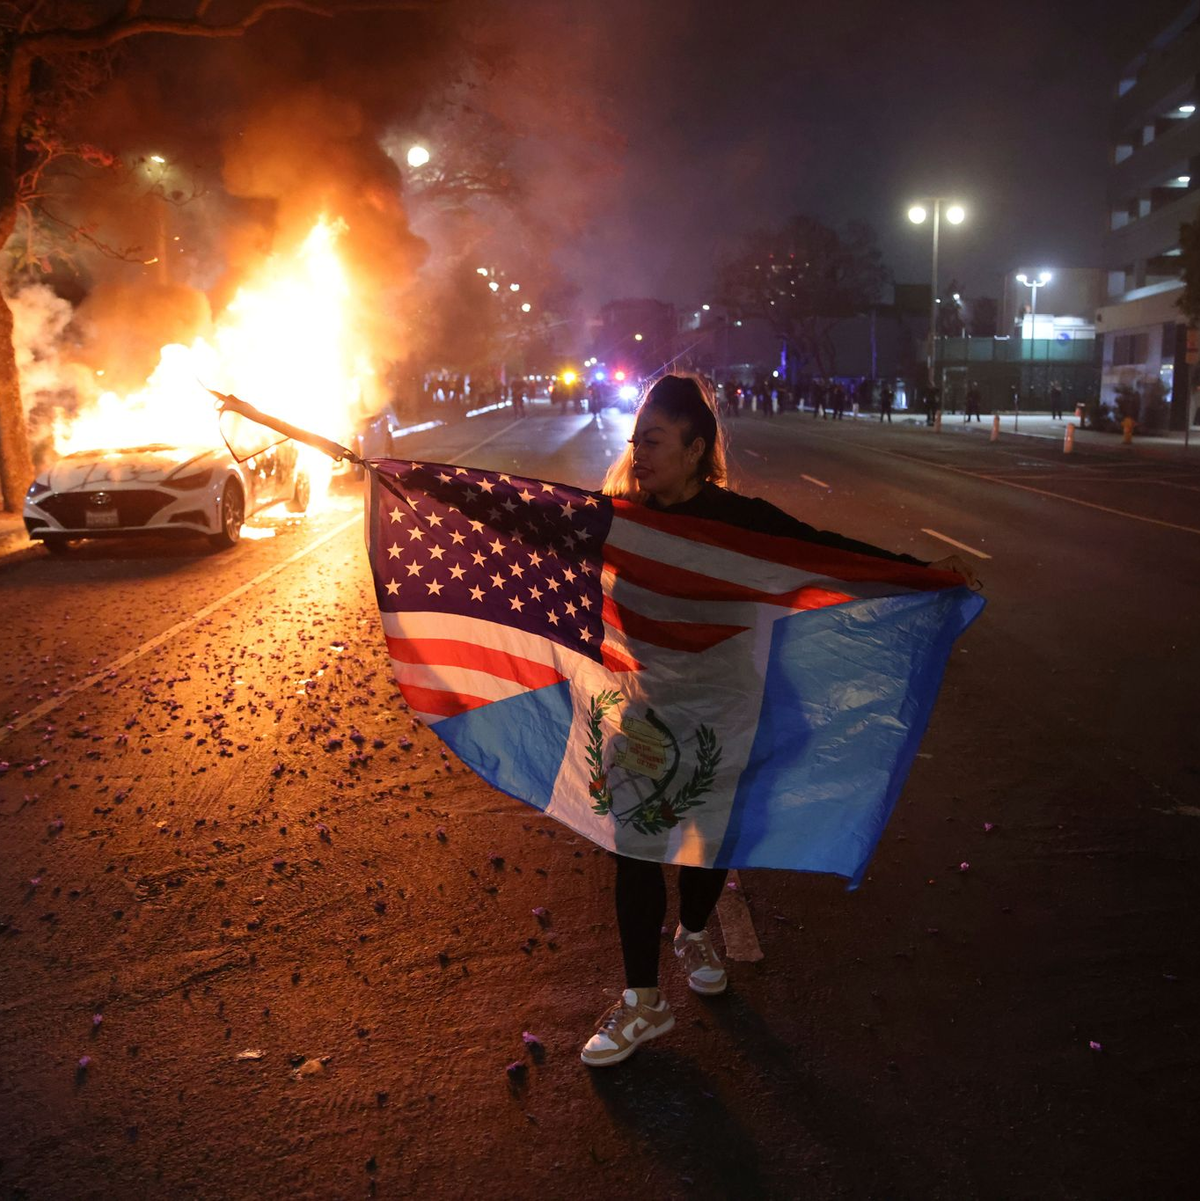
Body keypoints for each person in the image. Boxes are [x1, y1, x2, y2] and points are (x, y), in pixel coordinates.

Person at [582, 373, 979, 1068]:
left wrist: (921, 574)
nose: (637, 453)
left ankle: (696, 929)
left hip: (725, 709)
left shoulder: (744, 524)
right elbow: (518, 517)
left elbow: (828, 552)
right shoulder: (619, 516)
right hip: (645, 707)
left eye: (653, 440)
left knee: (711, 838)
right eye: (635, 440)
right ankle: (643, 999)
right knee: (634, 845)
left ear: (695, 447)